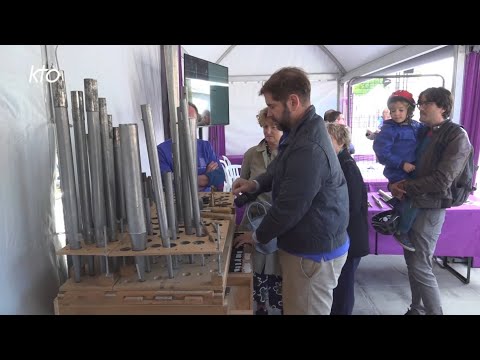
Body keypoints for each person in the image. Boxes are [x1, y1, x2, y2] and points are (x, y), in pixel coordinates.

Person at [232, 67, 349, 315]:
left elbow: (288, 208)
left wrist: (257, 236)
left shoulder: (309, 146)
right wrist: (255, 185)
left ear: (293, 101)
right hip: (306, 249)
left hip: (314, 256)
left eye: (273, 106)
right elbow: (278, 168)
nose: (271, 116)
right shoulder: (299, 131)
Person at [390, 87, 471, 315]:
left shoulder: (456, 136)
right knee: (412, 264)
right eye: (420, 102)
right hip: (411, 204)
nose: (421, 107)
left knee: (421, 265)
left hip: (431, 207)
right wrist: (394, 184)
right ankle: (416, 309)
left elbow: (441, 180)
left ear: (443, 107)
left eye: (426, 103)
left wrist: (405, 187)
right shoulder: (425, 132)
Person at [239, 107, 284, 315]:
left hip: (280, 223)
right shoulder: (251, 154)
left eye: (274, 127)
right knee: (256, 269)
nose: (268, 131)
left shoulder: (290, 155)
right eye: (265, 126)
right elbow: (245, 184)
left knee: (278, 269)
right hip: (254, 219)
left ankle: (280, 305)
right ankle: (260, 307)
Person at [326, 123, 370, 315]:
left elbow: (349, 206)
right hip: (345, 236)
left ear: (341, 142)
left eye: (328, 141)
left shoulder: (347, 166)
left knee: (343, 286)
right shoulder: (338, 163)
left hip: (350, 237)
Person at [373, 90, 423, 252]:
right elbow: (382, 153)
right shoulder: (388, 130)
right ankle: (401, 230)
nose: (396, 114)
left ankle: (397, 212)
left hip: (413, 170)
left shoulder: (416, 126)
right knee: (411, 199)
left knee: (408, 199)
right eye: (393, 110)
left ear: (409, 110)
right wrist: (401, 164)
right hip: (399, 171)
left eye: (401, 110)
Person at [157, 102, 225, 192]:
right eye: (184, 120)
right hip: (177, 204)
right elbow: (168, 183)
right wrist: (207, 177)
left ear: (196, 123)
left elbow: (220, 176)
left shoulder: (206, 146)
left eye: (192, 120)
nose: (187, 125)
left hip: (206, 201)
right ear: (176, 122)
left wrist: (184, 182)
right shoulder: (162, 150)